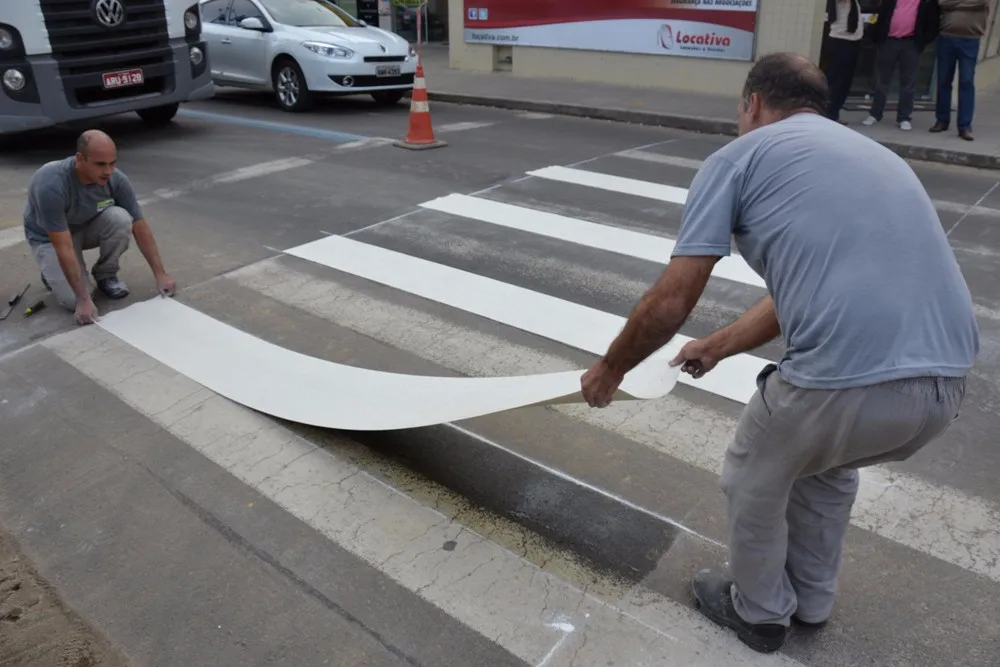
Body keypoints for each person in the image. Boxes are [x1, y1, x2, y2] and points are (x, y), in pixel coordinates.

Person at [580, 52, 978, 654]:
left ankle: (761, 612)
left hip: (844, 382)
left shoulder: (738, 157)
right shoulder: (875, 154)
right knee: (825, 466)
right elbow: (799, 295)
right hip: (944, 387)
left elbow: (672, 298)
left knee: (753, 475)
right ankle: (811, 600)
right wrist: (717, 346)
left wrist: (612, 367)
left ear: (753, 104)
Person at [22, 130, 176, 325]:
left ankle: (106, 274)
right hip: (51, 239)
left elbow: (140, 226)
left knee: (121, 218)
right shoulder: (50, 183)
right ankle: (50, 274)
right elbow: (63, 246)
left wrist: (160, 274)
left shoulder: (116, 180)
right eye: (100, 164)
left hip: (84, 226)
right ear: (80, 158)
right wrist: (83, 299)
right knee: (73, 300)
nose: (108, 171)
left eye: (112, 163)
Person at [861, 0, 940, 131]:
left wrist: (920, 42)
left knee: (908, 83)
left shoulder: (927, 2)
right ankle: (875, 114)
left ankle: (904, 117)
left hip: (910, 44)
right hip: (889, 42)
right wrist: (878, 39)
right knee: (881, 81)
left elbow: (933, 24)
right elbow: (879, 17)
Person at [930, 0, 990, 141]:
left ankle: (965, 126)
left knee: (966, 81)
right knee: (943, 80)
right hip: (946, 37)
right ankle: (942, 120)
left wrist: (954, 4)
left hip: (970, 39)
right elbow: (942, 3)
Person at [823, 0, 865, 123]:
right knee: (835, 81)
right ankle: (827, 114)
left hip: (852, 41)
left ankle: (834, 113)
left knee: (845, 82)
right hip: (840, 40)